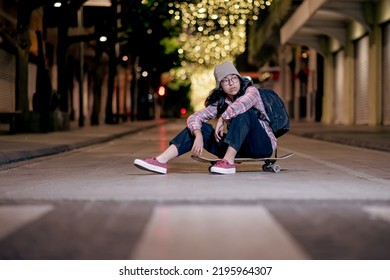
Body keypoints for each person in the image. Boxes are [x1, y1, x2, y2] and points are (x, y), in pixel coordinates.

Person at [134, 61, 277, 175]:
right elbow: (195, 117)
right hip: (237, 147)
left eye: (234, 78)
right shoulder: (220, 102)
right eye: (225, 81)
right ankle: (161, 160)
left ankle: (228, 162)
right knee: (198, 127)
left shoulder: (251, 92)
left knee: (244, 112)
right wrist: (198, 134)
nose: (231, 83)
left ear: (239, 79)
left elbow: (242, 104)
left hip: (261, 145)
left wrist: (222, 118)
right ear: (220, 86)